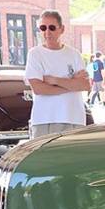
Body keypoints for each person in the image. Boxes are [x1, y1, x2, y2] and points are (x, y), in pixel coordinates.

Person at [24, 9, 89, 138]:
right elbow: (38, 88)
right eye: (43, 28)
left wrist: (54, 80)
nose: (47, 32)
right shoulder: (35, 54)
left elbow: (85, 85)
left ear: (62, 29)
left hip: (74, 118)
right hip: (44, 119)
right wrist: (71, 84)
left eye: (52, 28)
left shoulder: (74, 54)